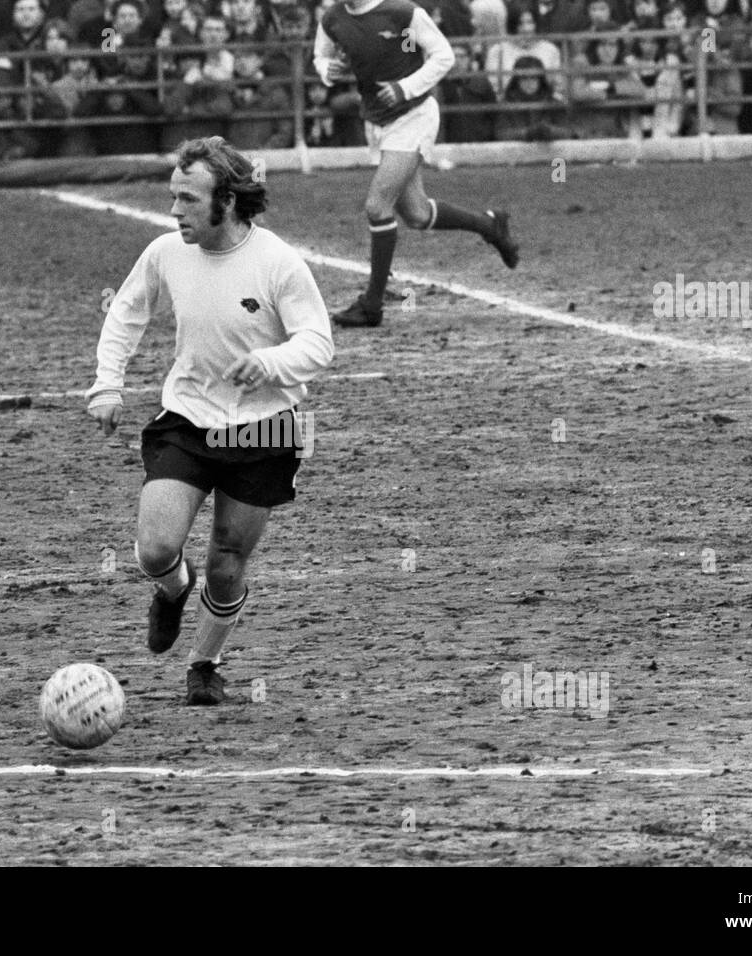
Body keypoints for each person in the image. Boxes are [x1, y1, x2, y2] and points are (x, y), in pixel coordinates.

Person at [85, 136, 335, 706]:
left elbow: (319, 345)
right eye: (173, 198)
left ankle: (204, 664)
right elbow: (126, 313)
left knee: (227, 564)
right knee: (154, 548)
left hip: (265, 428)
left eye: (188, 200)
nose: (175, 212)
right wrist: (107, 384)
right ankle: (172, 590)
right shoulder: (165, 253)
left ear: (228, 200)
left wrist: (269, 362)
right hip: (189, 419)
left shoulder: (278, 263)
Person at [313, 0, 519, 329]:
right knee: (417, 214)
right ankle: (490, 224)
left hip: (414, 115)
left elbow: (444, 55)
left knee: (377, 207)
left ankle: (372, 304)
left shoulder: (402, 12)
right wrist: (328, 71)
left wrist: (405, 88)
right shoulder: (333, 18)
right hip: (377, 119)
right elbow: (320, 57)